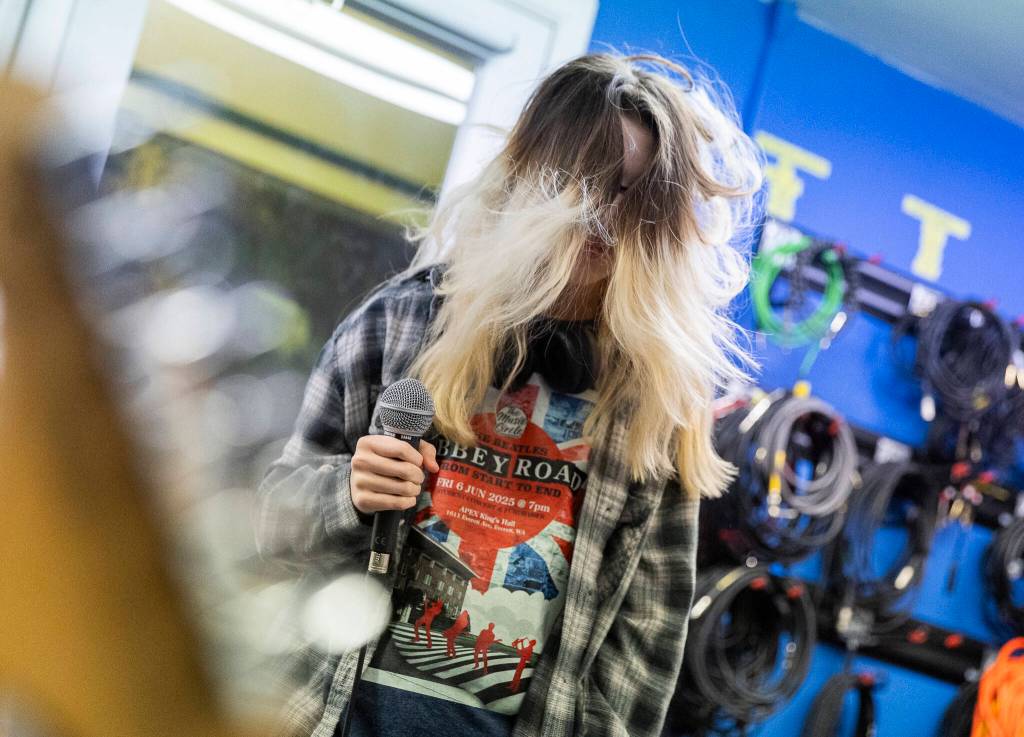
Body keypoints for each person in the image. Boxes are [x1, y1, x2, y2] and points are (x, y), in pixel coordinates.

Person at [256, 51, 764, 737]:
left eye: (633, 195)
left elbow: (645, 651)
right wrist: (348, 492)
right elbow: (269, 522)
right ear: (532, 177)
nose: (605, 217)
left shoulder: (658, 402)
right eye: (588, 182)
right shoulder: (401, 322)